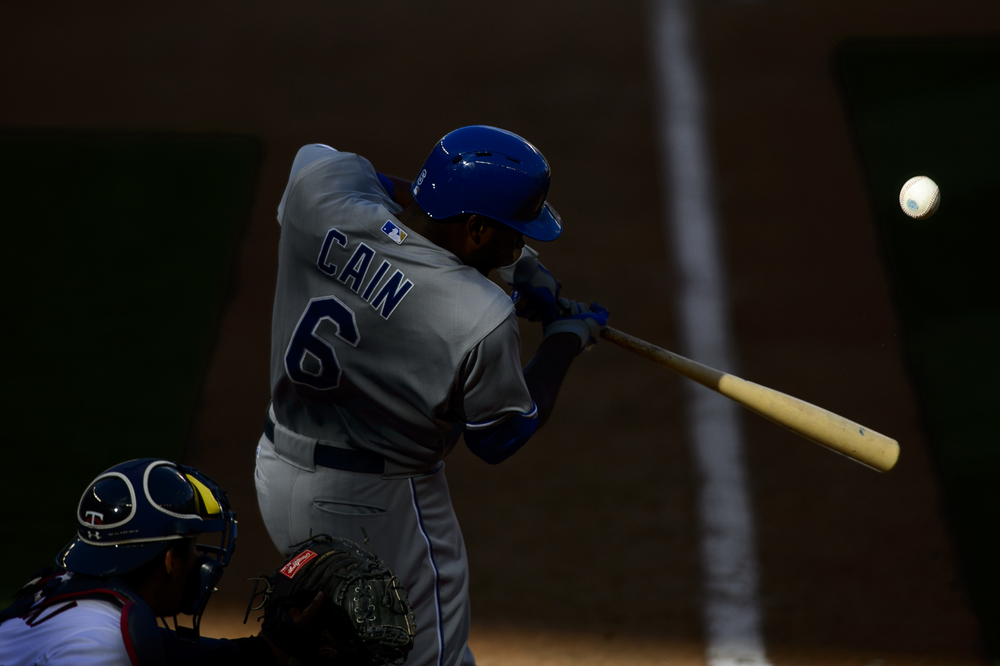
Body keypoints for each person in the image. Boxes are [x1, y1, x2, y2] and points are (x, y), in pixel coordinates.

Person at [254, 125, 609, 666]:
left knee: (331, 643)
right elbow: (500, 437)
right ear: (475, 228)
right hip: (381, 504)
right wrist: (563, 341)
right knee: (429, 656)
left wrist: (513, 263)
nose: (522, 242)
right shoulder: (479, 314)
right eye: (514, 233)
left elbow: (360, 174)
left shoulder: (319, 196)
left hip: (277, 471)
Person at [0, 458, 332, 666]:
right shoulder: (104, 644)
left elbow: (174, 652)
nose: (199, 562)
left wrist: (268, 652)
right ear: (171, 560)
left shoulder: (63, 593)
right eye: (191, 548)